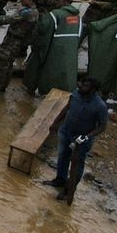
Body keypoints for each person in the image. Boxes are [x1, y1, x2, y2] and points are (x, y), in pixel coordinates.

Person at [45, 77, 109, 205]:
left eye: (84, 86)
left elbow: (102, 126)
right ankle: (60, 179)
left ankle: (69, 190)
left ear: (92, 90)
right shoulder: (76, 94)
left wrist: (88, 136)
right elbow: (67, 108)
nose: (80, 86)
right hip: (66, 131)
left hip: (81, 139)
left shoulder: (100, 106)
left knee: (77, 165)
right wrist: (55, 122)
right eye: (81, 84)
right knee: (63, 156)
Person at [24, 0, 83, 96]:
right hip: (67, 51)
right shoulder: (77, 18)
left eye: (57, 0)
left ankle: (31, 89)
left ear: (65, 1)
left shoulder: (55, 14)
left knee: (35, 66)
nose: (55, 2)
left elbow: (42, 29)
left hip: (49, 47)